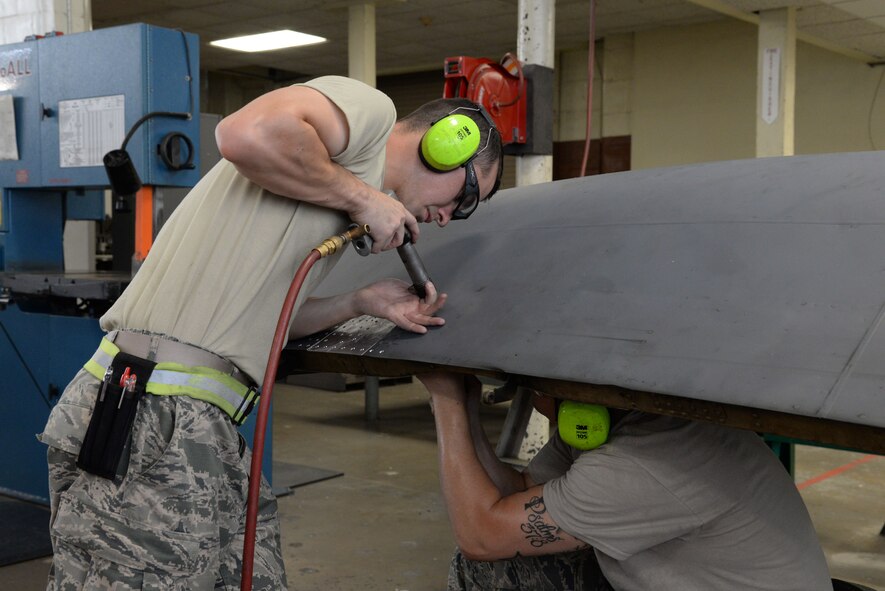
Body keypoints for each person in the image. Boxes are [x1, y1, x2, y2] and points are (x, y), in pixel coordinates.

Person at [39, 75, 503, 590]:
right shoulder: (370, 119)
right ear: (444, 144)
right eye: (464, 198)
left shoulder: (330, 192)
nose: (447, 218)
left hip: (197, 421)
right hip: (152, 409)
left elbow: (266, 319)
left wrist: (359, 302)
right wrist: (364, 199)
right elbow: (245, 133)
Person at [417, 372, 834, 591]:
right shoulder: (627, 421)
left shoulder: (647, 461)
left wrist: (446, 402)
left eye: (532, 390)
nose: (536, 403)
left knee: (487, 569)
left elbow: (481, 537)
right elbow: (517, 494)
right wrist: (467, 410)